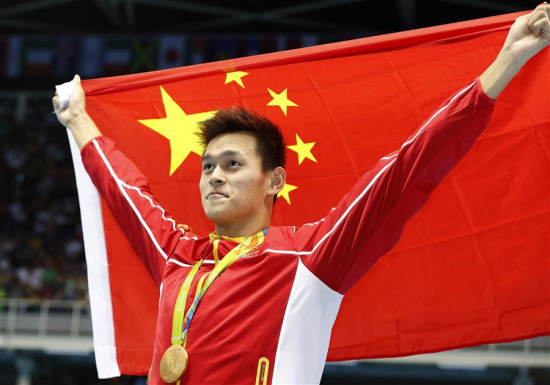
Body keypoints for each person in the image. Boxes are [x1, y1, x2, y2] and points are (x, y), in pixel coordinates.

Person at [53, 6, 549, 385]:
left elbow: (406, 171)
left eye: (232, 165)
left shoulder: (308, 258)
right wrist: (77, 119)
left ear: (274, 181)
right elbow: (124, 190)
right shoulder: (175, 258)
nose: (214, 177)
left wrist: (507, 60)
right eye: (207, 167)